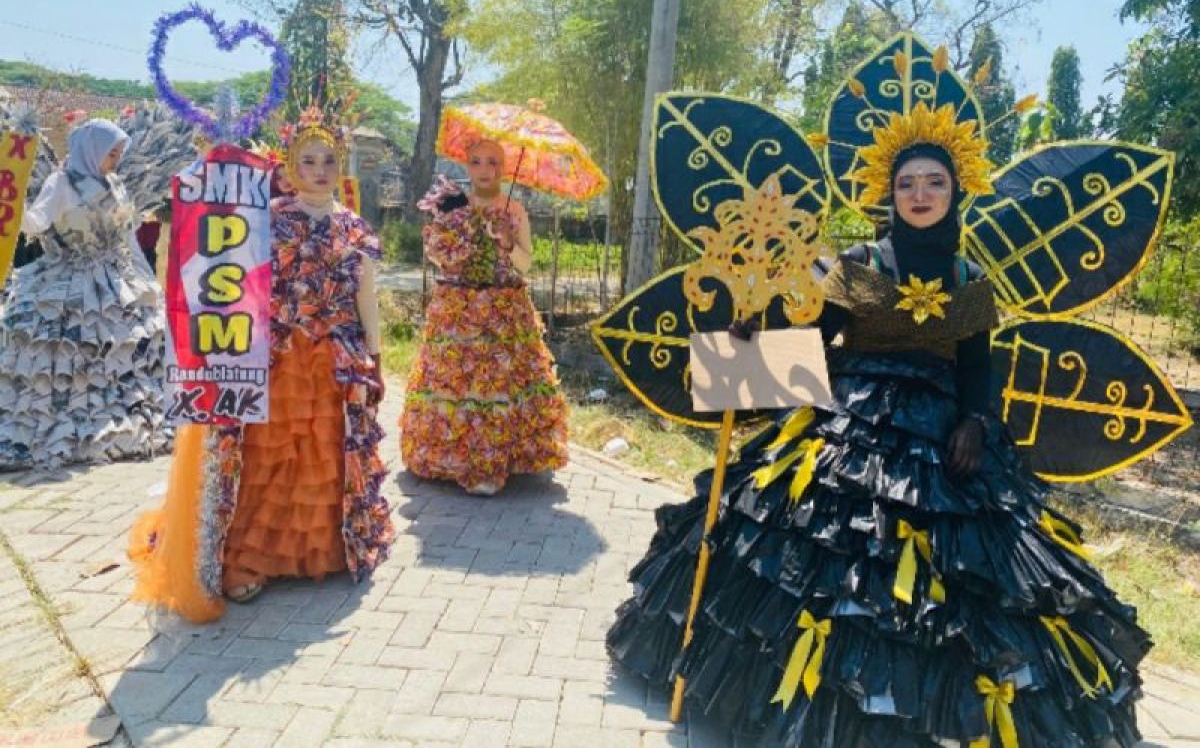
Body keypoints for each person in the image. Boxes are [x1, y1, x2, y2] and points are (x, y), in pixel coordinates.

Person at [605, 138, 1150, 746]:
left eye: (934, 183)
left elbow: (977, 367)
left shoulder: (970, 279)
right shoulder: (862, 262)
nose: (920, 194)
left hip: (944, 439)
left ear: (955, 193)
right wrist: (752, 338)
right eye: (908, 184)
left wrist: (973, 421)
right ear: (890, 195)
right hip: (854, 423)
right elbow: (819, 338)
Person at [128, 115, 393, 619]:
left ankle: (328, 551)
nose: (319, 171)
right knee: (266, 459)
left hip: (336, 361)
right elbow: (231, 279)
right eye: (308, 161)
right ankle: (249, 561)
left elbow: (366, 298)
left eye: (329, 161)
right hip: (277, 358)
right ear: (290, 167)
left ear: (342, 167)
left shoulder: (355, 227)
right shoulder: (265, 217)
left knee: (328, 456)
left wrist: (375, 359)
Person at [400, 139, 569, 496]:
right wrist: (451, 245)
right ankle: (450, 458)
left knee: (497, 385)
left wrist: (508, 242)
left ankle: (493, 464)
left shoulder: (515, 210)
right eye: (476, 161)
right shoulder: (452, 206)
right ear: (466, 167)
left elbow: (526, 264)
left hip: (503, 313)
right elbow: (437, 256)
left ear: (503, 167)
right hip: (458, 311)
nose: (484, 169)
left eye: (492, 161)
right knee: (457, 383)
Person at [0, 119, 169, 468]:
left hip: (116, 281)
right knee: (67, 351)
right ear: (91, 149)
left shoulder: (115, 183)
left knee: (121, 351)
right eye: (111, 154)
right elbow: (37, 222)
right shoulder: (61, 182)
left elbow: (128, 237)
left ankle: (113, 424)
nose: (115, 161)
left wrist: (147, 278)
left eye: (119, 155)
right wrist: (11, 205)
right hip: (68, 282)